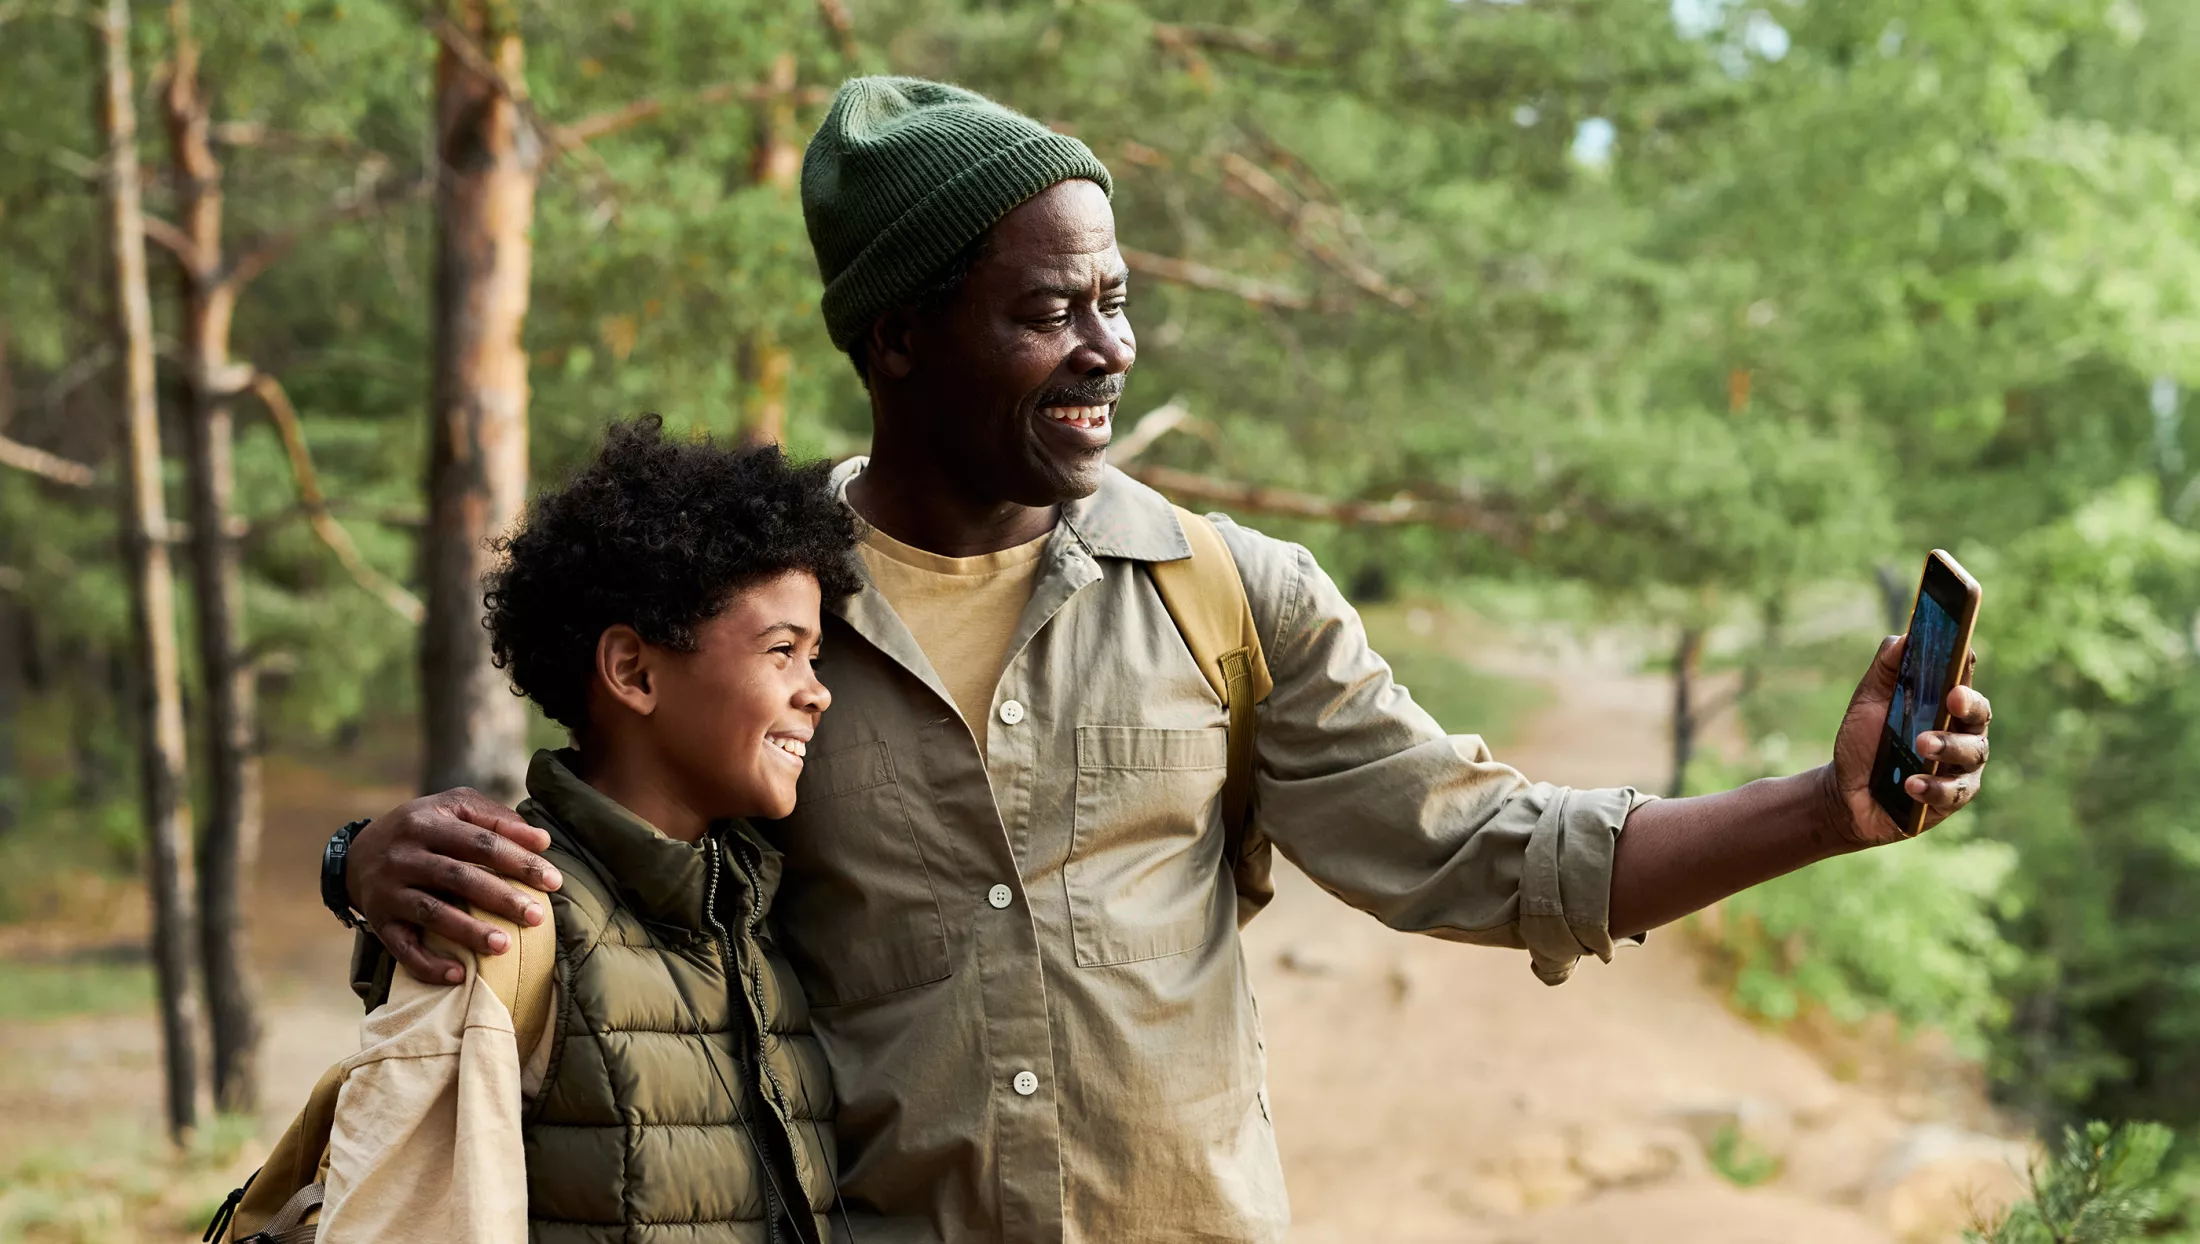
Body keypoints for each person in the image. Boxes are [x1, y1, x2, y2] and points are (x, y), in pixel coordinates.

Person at [327, 79, 1994, 1243]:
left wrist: (1823, 807)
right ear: (897, 336)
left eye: (1119, 302)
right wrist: (365, 859)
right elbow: (611, 865)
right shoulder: (770, 610)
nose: (1110, 348)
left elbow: (1485, 847)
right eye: (1053, 311)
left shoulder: (1226, 591)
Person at [317, 417, 863, 1243]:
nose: (816, 691)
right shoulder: (502, 915)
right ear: (634, 672)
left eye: (816, 656)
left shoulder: (756, 908)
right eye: (782, 650)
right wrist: (350, 859)